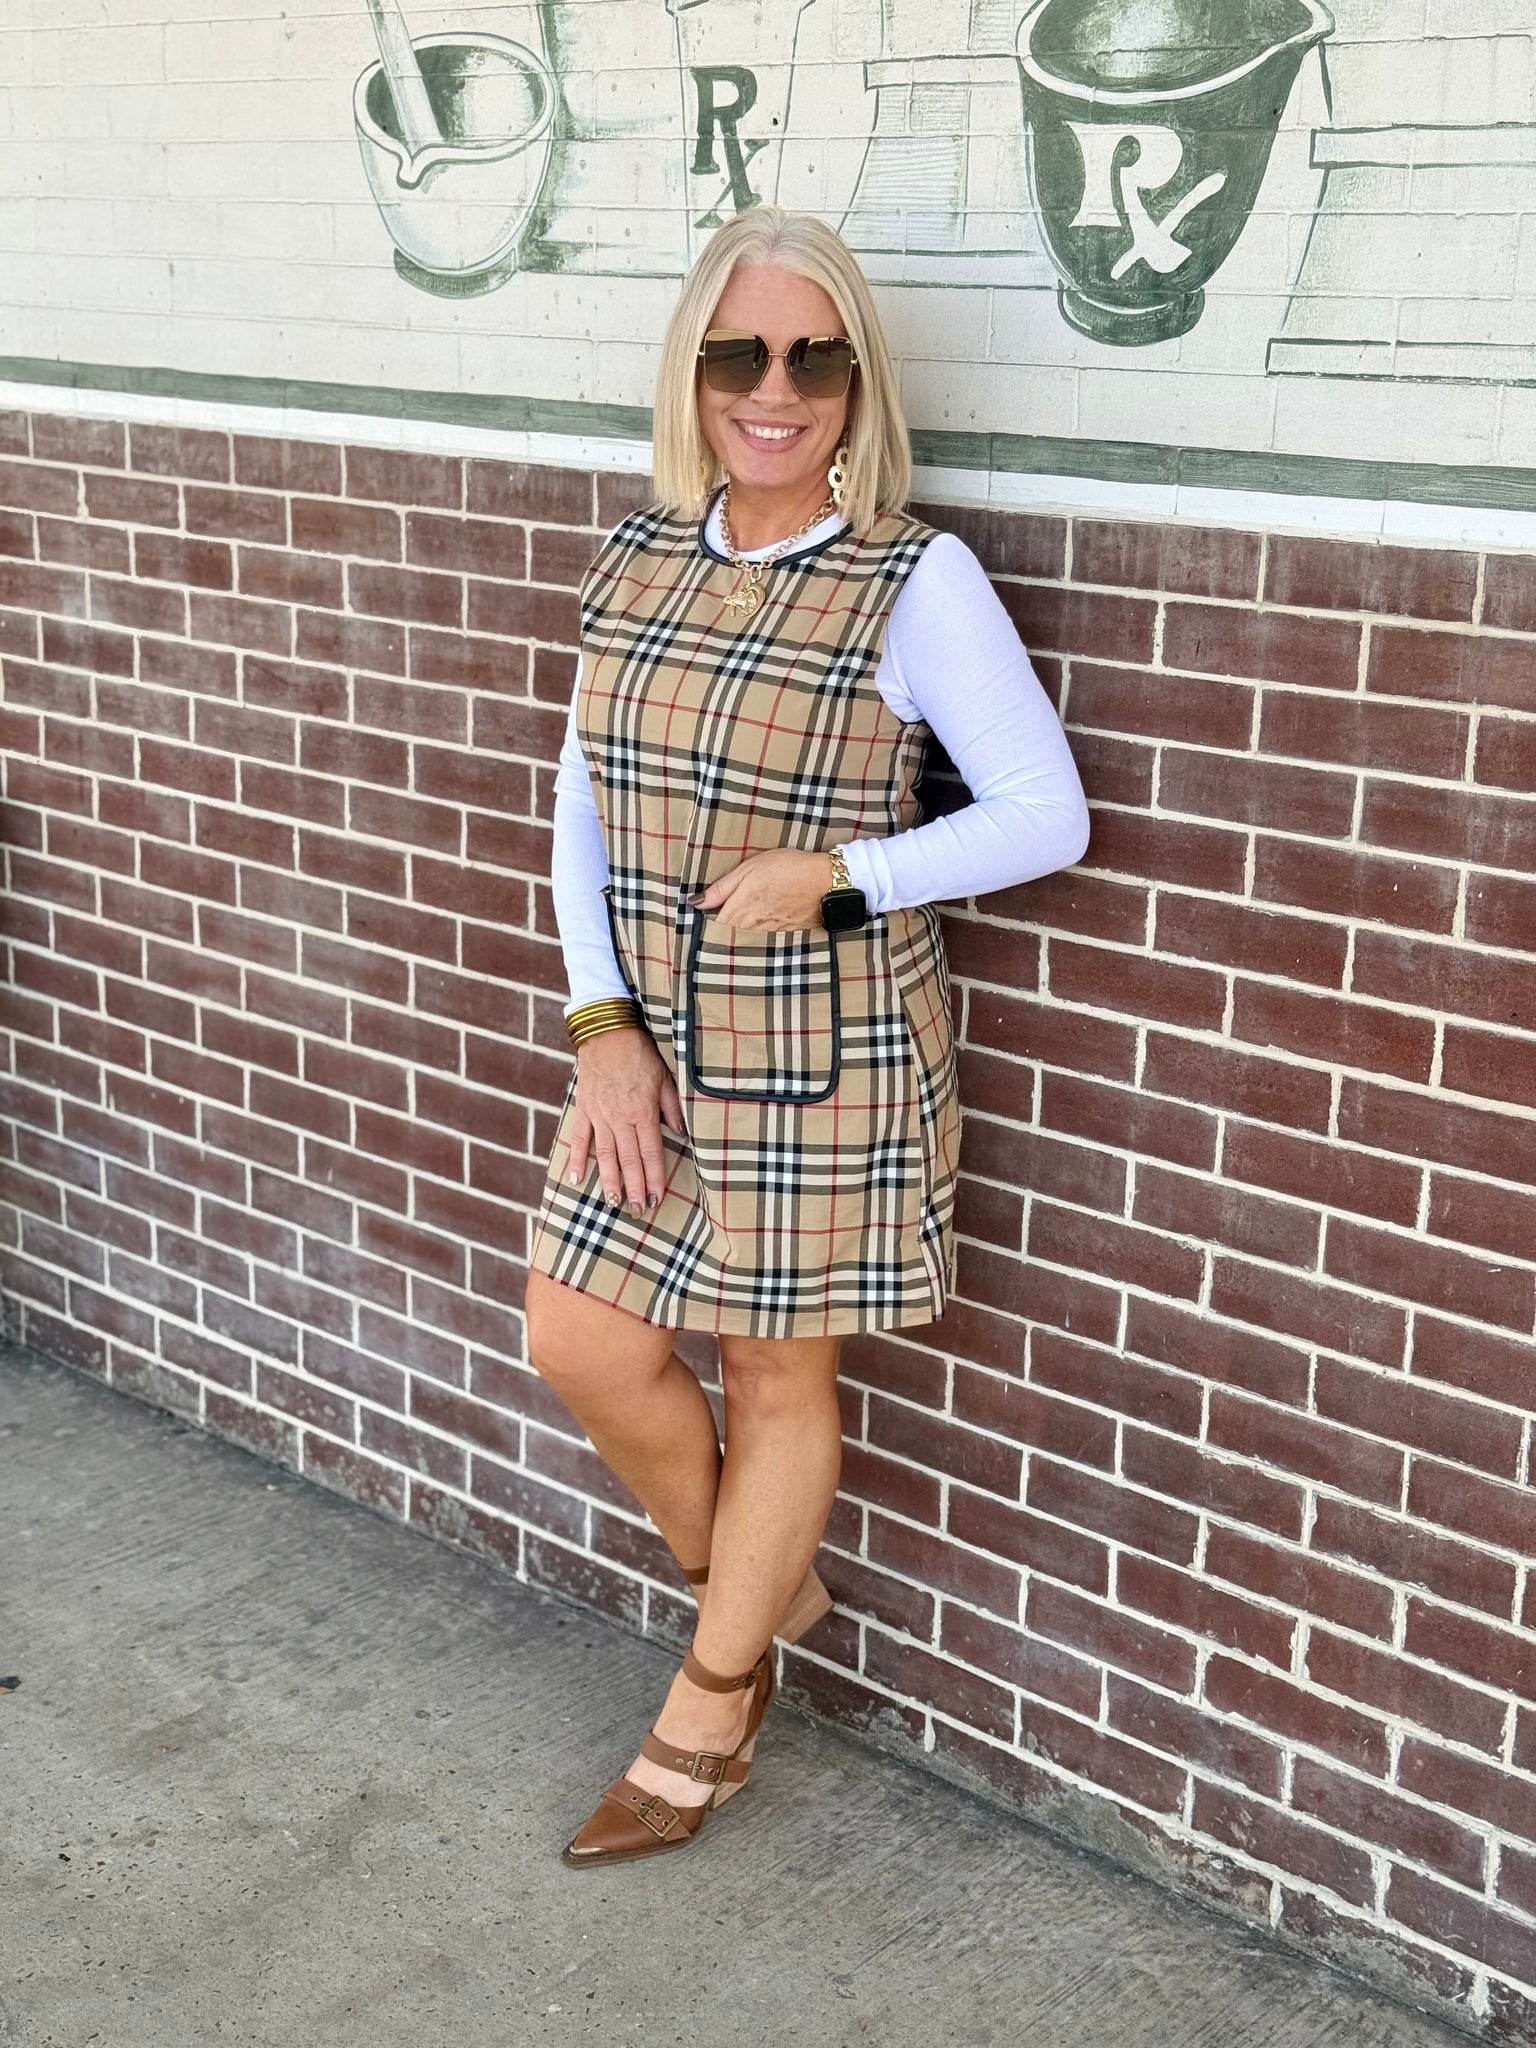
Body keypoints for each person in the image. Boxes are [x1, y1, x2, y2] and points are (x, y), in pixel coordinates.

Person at [524, 206, 1090, 1867]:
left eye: (813, 360)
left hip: (824, 1053)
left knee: (778, 1372)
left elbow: (1045, 812)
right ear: (692, 373)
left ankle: (711, 1703)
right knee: (581, 1338)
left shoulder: (914, 580)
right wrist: (600, 1025)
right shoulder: (636, 557)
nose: (774, 391)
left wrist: (845, 875)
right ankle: (756, 1593)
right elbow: (580, 813)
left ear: (857, 382)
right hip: (649, 1043)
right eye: (740, 355)